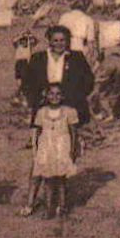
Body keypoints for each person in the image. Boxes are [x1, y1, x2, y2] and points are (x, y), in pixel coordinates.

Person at [25, 82, 80, 220]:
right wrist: (37, 151)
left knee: (61, 179)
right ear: (46, 95)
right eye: (51, 93)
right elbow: (37, 133)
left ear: (63, 96)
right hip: (46, 148)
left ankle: (62, 207)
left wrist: (73, 150)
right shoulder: (42, 112)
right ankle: (49, 208)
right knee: (48, 178)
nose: (54, 97)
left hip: (62, 148)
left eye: (58, 94)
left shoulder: (69, 112)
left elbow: (74, 133)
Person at [22, 26, 95, 126]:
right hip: (44, 106)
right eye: (55, 40)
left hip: (71, 106)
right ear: (49, 41)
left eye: (62, 40)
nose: (59, 44)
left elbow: (88, 81)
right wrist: (37, 99)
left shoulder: (76, 57)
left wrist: (74, 96)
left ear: (67, 41)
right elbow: (28, 82)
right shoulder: (38, 58)